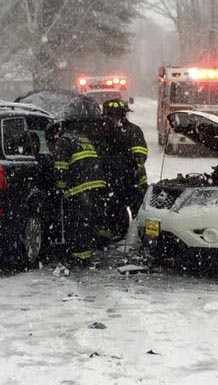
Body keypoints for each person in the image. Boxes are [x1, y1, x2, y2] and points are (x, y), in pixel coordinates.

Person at [46, 121, 107, 265]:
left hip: (80, 187)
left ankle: (80, 257)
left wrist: (60, 187)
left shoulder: (63, 141)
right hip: (97, 184)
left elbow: (61, 166)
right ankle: (87, 252)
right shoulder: (82, 139)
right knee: (87, 221)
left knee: (77, 222)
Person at [101, 99, 149, 238]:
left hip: (132, 178)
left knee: (140, 209)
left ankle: (143, 236)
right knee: (114, 208)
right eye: (111, 115)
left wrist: (130, 164)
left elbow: (140, 155)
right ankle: (115, 232)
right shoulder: (100, 132)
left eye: (117, 115)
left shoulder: (133, 130)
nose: (114, 118)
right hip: (110, 180)